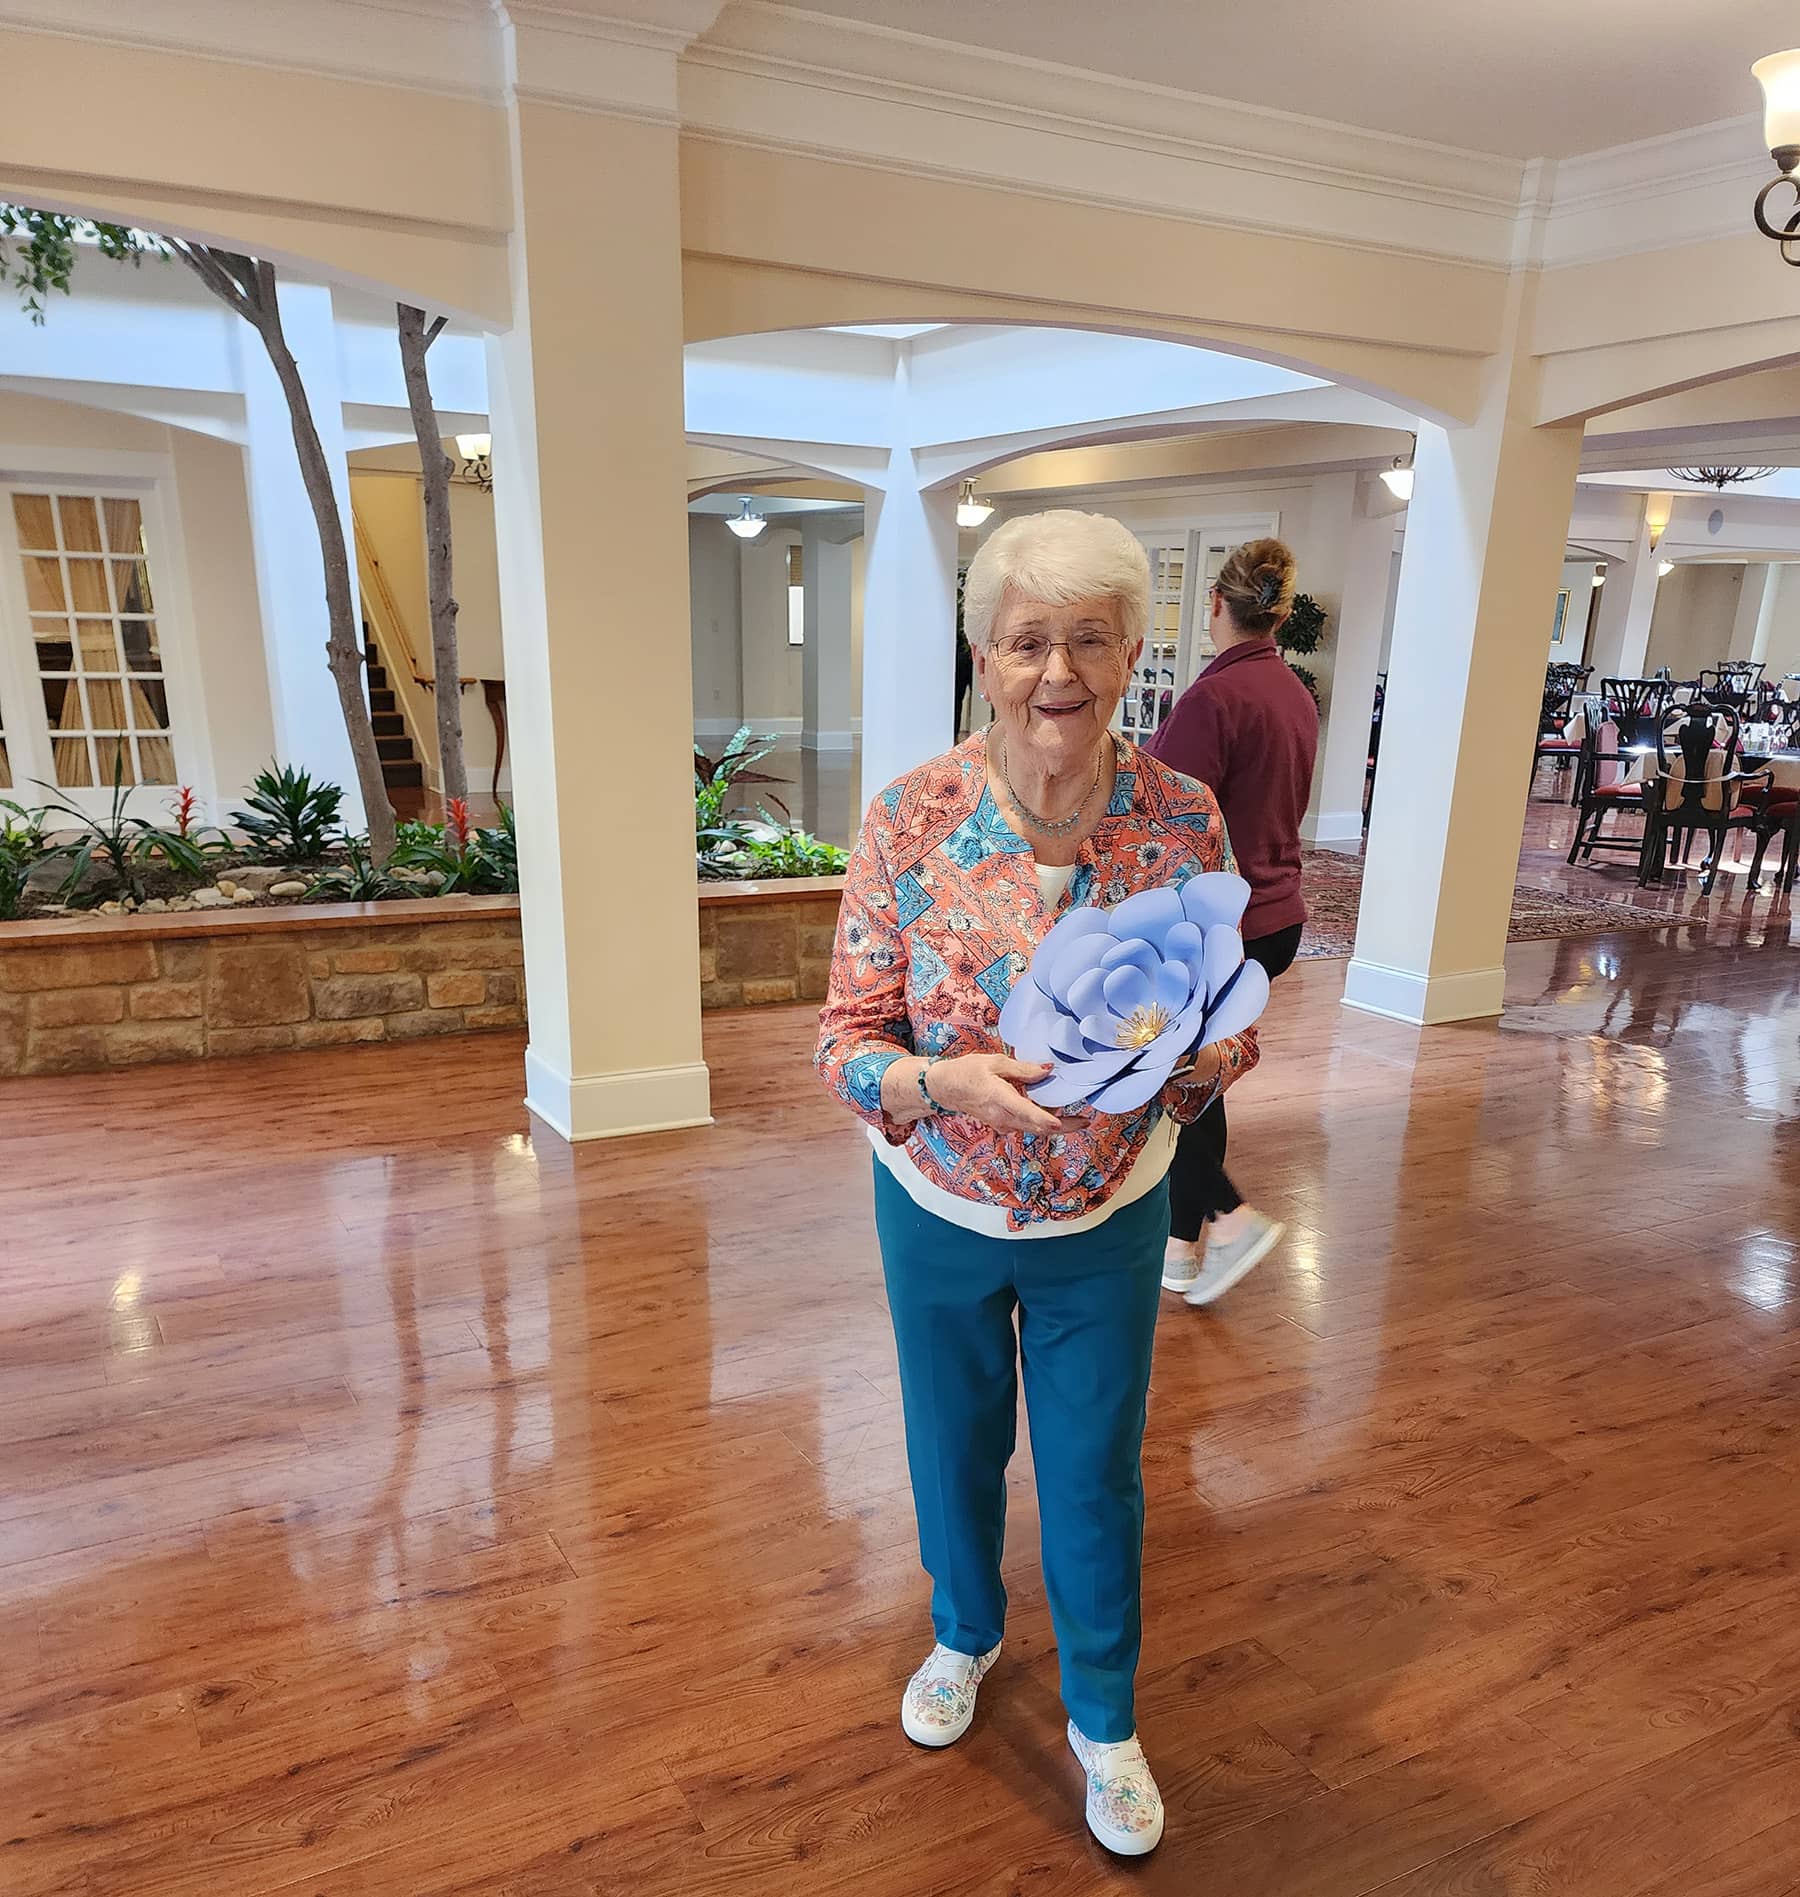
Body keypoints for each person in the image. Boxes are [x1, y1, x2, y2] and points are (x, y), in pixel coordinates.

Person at [815, 509, 1259, 1858]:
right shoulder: (910, 820)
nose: (1054, 671)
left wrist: (1178, 1063)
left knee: (1092, 1470)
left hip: (1106, 1214)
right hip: (940, 1203)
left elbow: (1230, 1019)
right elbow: (846, 1039)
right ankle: (963, 1633)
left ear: (1133, 650)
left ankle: (1105, 1720)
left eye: (1086, 638)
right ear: (981, 654)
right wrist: (931, 1084)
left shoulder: (1184, 819)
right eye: (1025, 641)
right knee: (951, 1445)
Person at [1143, 537, 1317, 1307]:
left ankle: (1228, 1218)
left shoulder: (1213, 701)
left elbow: (1159, 814)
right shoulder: (1295, 693)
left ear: (1214, 603)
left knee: (1181, 1078)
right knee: (1196, 1072)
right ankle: (1183, 1249)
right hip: (1279, 916)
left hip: (1226, 926)